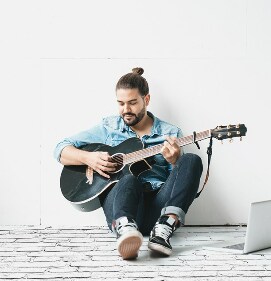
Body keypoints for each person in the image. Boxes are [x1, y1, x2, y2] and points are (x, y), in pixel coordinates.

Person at [54, 67, 203, 260]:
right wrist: (89, 158)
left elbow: (180, 181)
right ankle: (126, 232)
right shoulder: (109, 127)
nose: (126, 110)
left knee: (191, 160)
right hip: (122, 207)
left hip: (157, 209)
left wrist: (175, 162)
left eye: (132, 103)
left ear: (146, 100)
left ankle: (165, 228)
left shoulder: (170, 133)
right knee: (129, 180)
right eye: (121, 103)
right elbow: (60, 148)